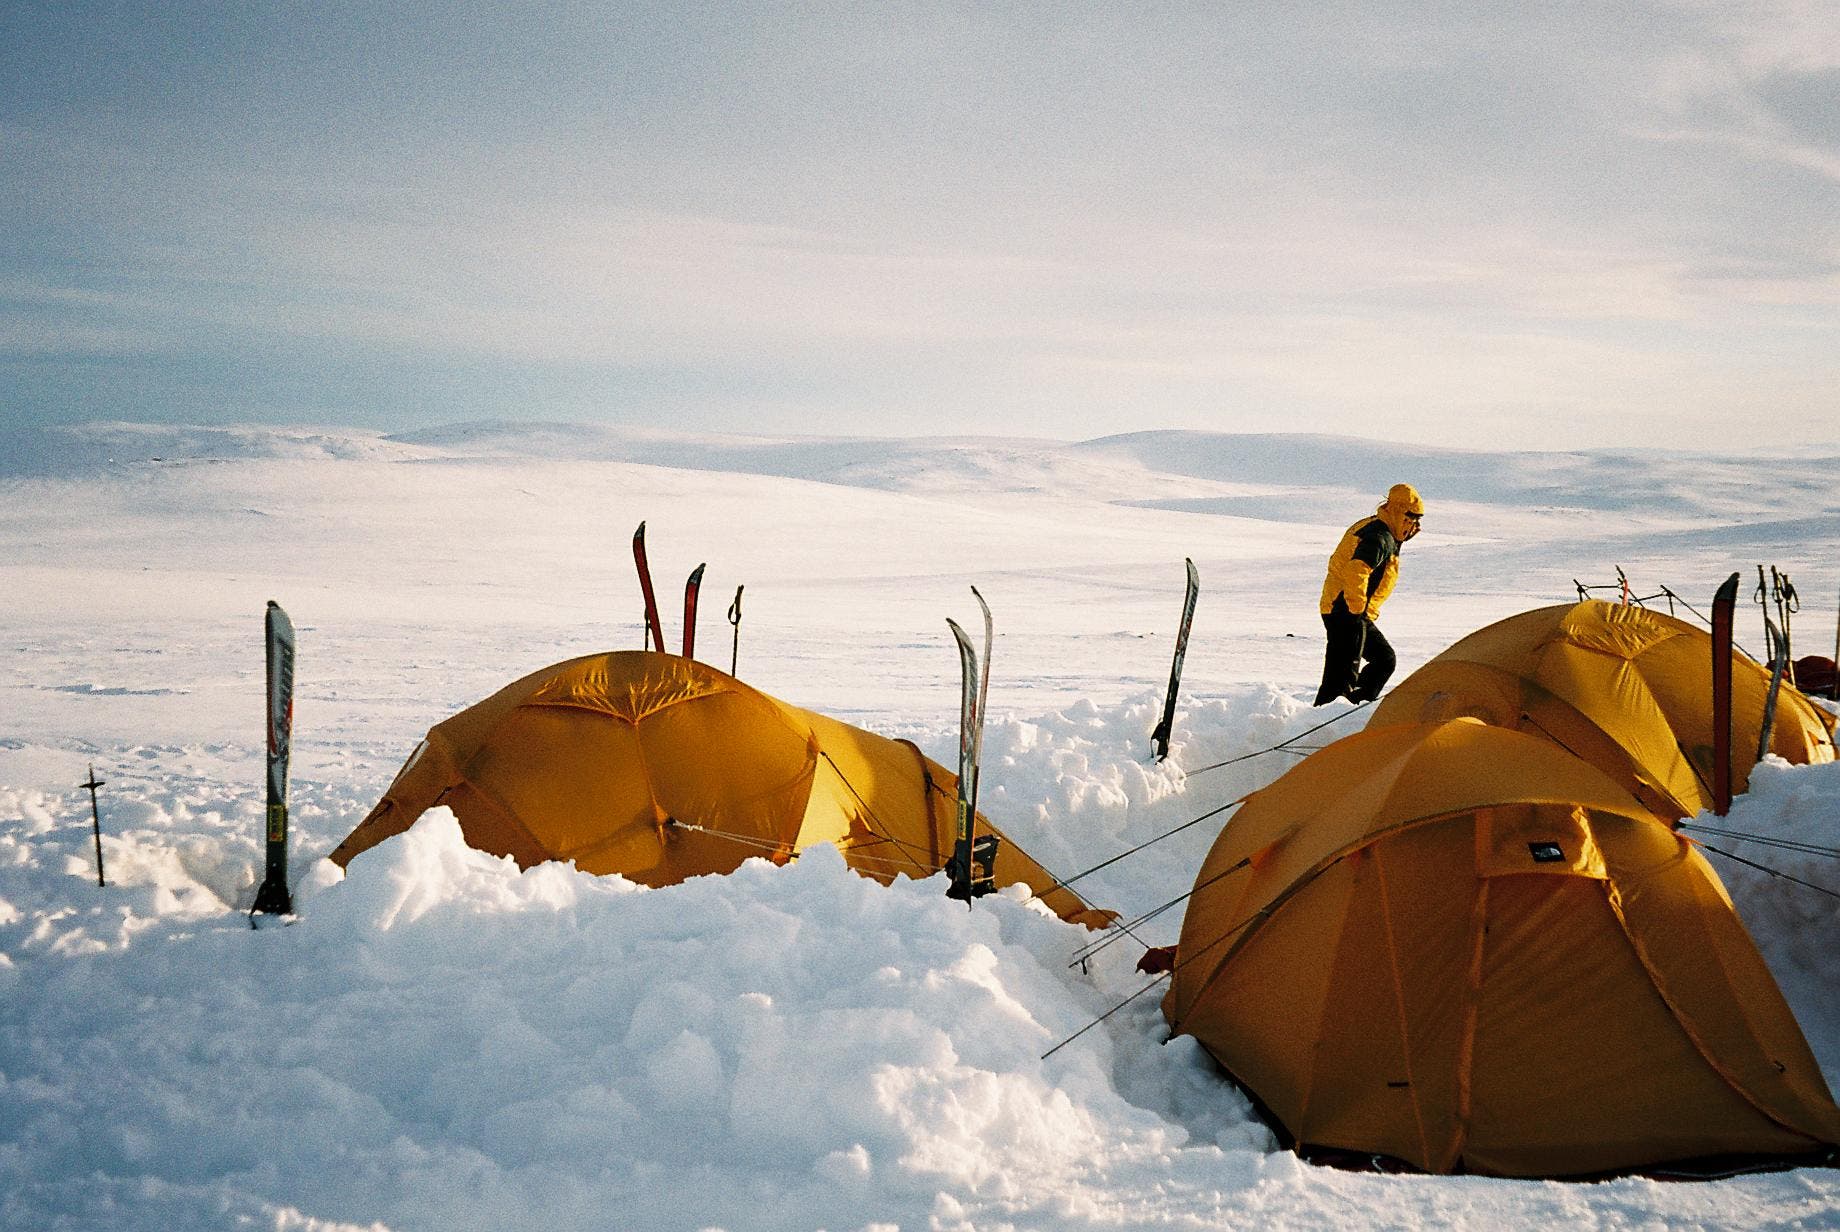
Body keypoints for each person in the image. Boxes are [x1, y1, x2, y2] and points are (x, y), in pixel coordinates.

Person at [1315, 483, 1423, 705]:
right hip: (1345, 609)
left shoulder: (1381, 530)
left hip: (1351, 610)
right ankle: (1331, 717)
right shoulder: (1379, 536)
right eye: (1411, 517)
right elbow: (1357, 570)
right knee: (1341, 677)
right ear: (1399, 512)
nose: (1414, 524)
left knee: (1384, 660)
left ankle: (1354, 706)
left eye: (1417, 519)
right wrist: (1355, 610)